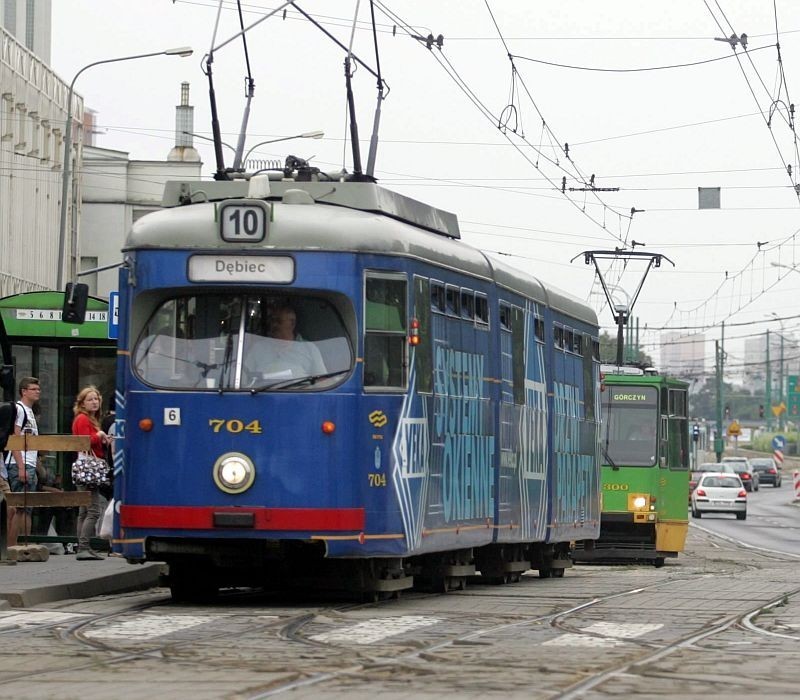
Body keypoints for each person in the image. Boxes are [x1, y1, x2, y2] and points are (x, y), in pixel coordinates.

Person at [72, 385, 111, 561]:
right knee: (93, 510)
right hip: (88, 468)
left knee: (84, 510)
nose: (94, 402)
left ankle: (83, 546)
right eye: (90, 399)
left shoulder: (90, 419)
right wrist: (100, 434)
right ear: (82, 403)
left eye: (96, 399)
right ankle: (84, 546)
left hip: (88, 467)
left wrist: (102, 439)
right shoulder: (82, 419)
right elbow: (84, 442)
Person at [3, 377, 41, 547]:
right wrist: (20, 466)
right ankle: (12, 547)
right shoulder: (20, 409)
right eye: (33, 389)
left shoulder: (30, 411)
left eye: (38, 389)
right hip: (21, 462)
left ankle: (21, 545)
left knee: (26, 507)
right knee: (18, 507)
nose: (37, 391)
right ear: (23, 391)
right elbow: (15, 438)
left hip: (30, 462)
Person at [247, 304, 326, 381]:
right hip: (261, 392)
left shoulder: (309, 348)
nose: (273, 325)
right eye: (272, 320)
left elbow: (322, 381)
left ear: (292, 323)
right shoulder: (258, 347)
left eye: (278, 321)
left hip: (298, 392)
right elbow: (244, 376)